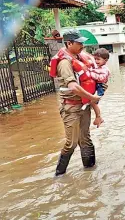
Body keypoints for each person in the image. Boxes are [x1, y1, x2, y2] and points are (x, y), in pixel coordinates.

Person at [49, 30, 100, 176]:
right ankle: (59, 176)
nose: (82, 45)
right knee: (71, 143)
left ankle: (90, 172)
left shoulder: (79, 57)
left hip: (84, 104)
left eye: (82, 42)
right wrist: (92, 97)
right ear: (69, 43)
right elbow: (73, 86)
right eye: (79, 43)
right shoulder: (65, 62)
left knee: (85, 139)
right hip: (71, 106)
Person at [89, 48, 111, 127]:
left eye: (98, 59)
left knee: (93, 102)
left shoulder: (105, 69)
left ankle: (99, 117)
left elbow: (101, 78)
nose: (96, 61)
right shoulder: (99, 67)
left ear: (105, 60)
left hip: (100, 87)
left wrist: (91, 74)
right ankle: (98, 118)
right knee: (92, 102)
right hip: (98, 86)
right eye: (95, 59)